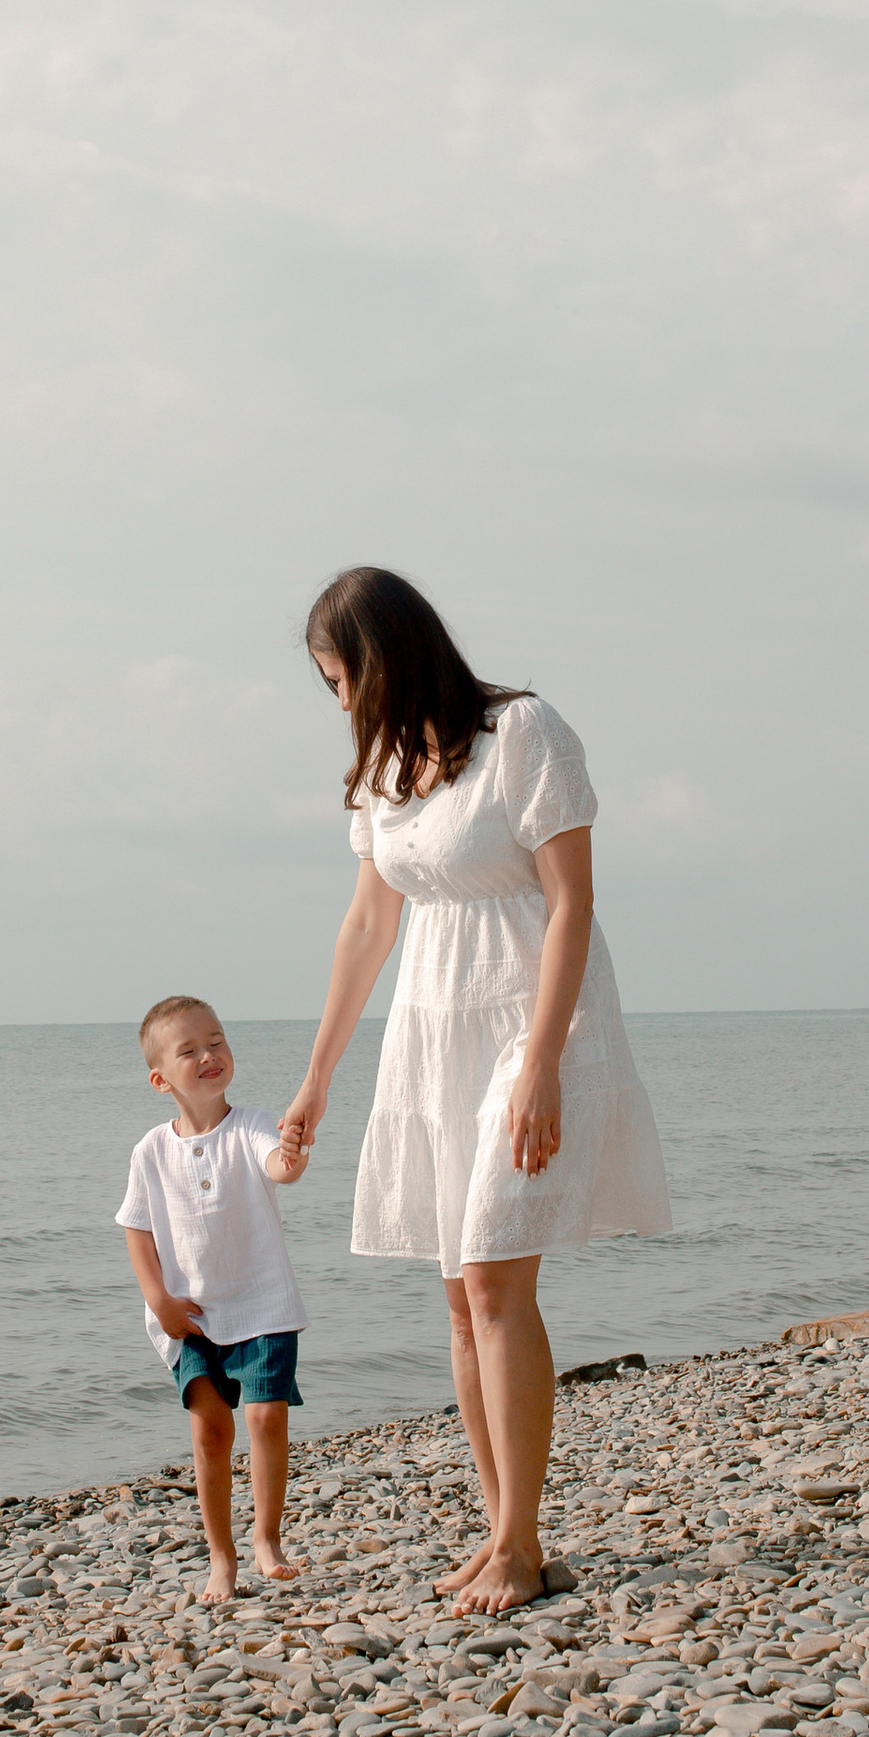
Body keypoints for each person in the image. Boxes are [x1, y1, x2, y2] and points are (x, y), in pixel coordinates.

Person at [281, 567, 671, 1618]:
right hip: (430, 1032)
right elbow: (367, 928)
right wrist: (315, 1081)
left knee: (497, 1281)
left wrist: (542, 1061)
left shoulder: (524, 732)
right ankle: (505, 1533)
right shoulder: (378, 773)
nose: (339, 703)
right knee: (459, 1296)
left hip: (528, 1016)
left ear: (388, 655)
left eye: (339, 678)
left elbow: (573, 900)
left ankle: (520, 1542)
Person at [118, 997, 311, 1606]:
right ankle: (220, 1557)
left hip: (263, 1303)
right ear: (160, 1079)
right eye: (190, 1050)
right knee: (210, 1432)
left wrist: (292, 1154)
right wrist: (159, 1300)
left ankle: (267, 1539)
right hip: (190, 1316)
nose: (209, 1055)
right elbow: (137, 1227)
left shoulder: (252, 1124)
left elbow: (277, 1166)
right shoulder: (151, 1150)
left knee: (265, 1417)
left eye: (217, 1041)